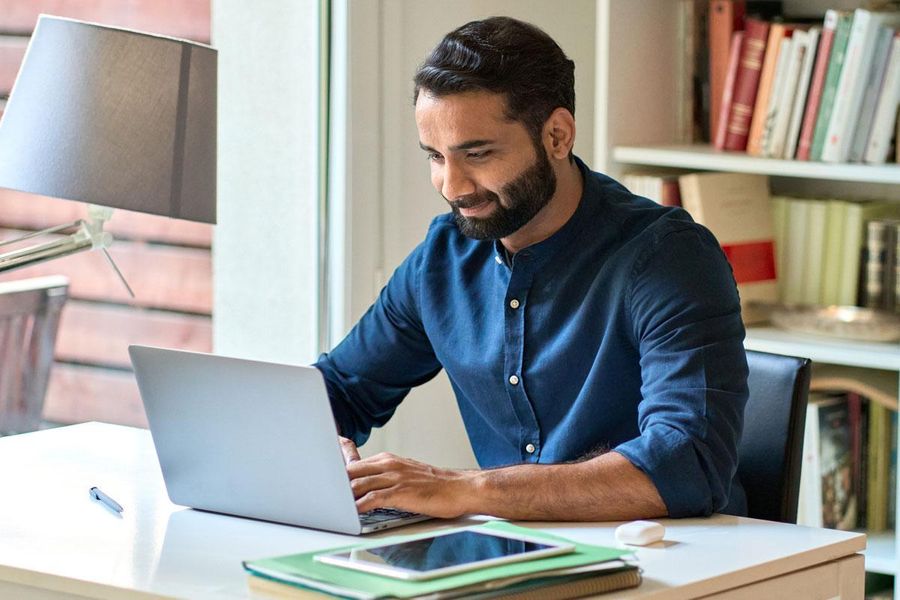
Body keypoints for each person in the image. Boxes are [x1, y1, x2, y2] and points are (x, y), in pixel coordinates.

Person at [314, 16, 748, 522]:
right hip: (517, 556)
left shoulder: (668, 258)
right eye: (435, 156)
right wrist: (319, 444)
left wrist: (467, 490)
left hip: (670, 561)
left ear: (558, 135)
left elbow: (688, 462)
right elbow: (340, 390)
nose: (452, 186)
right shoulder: (442, 258)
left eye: (477, 154)